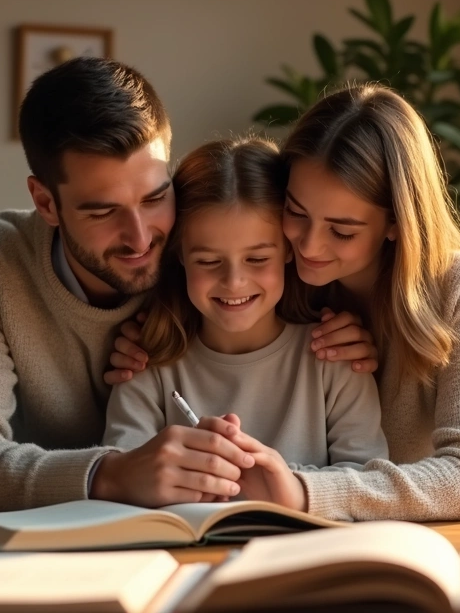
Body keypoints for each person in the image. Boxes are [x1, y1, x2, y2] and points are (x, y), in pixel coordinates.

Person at [0, 58, 379, 523]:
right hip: (42, 500)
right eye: (103, 212)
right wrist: (112, 475)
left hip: (187, 509)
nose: (142, 236)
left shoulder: (206, 245)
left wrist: (355, 326)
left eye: (154, 196)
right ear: (46, 201)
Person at [109, 85, 460, 519]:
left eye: (343, 230)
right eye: (295, 212)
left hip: (401, 508)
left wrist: (304, 492)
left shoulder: (454, 284)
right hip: (287, 512)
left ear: (395, 222)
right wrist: (148, 334)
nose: (308, 246)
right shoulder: (274, 274)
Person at [103, 137, 389, 505]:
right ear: (180, 257)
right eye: (208, 261)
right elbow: (122, 480)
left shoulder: (336, 358)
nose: (234, 282)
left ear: (288, 249)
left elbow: (371, 484)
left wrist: (284, 483)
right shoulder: (146, 364)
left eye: (257, 260)